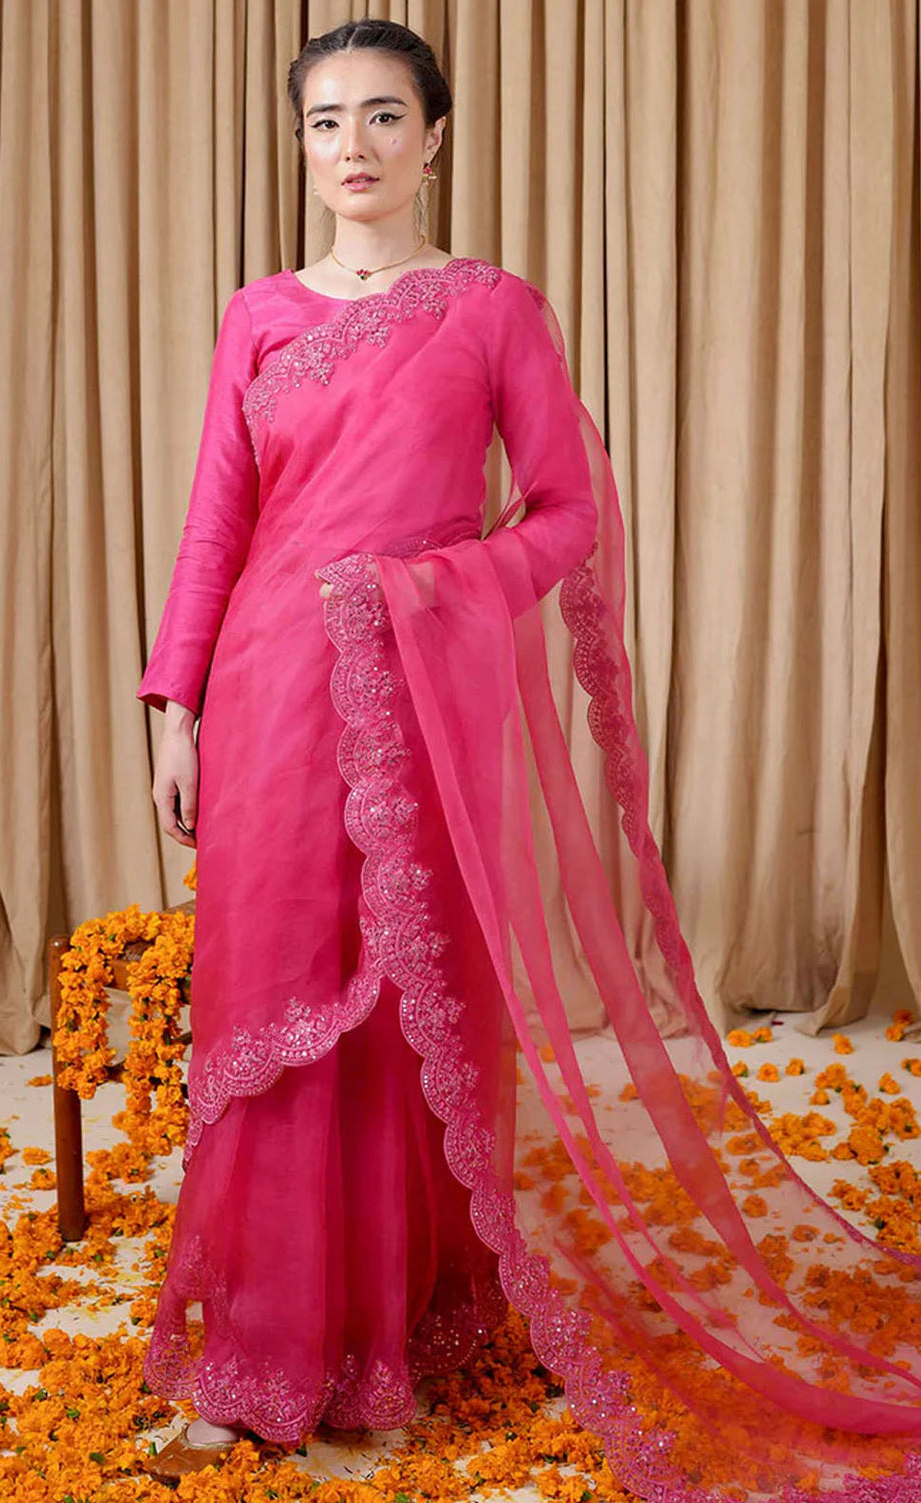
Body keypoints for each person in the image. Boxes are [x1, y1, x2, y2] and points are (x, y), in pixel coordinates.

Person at [137, 17, 921, 1497]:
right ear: (300, 145)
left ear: (435, 138)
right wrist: (174, 706)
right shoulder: (259, 316)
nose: (354, 146)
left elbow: (566, 513)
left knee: (405, 1010)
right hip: (267, 703)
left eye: (384, 116)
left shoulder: (494, 310)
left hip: (424, 705)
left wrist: (436, 586)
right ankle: (259, 1348)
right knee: (272, 1008)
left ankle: (388, 1341)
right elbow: (212, 528)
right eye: (325, 121)